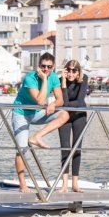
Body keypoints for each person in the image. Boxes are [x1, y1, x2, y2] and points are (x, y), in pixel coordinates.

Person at [11, 52, 69, 193]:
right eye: (43, 66)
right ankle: (22, 185)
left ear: (53, 67)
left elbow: (61, 100)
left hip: (38, 113)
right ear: (38, 66)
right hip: (21, 113)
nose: (46, 69)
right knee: (22, 148)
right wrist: (44, 79)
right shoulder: (30, 77)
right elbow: (39, 99)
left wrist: (53, 104)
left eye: (49, 67)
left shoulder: (54, 77)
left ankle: (37, 137)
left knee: (64, 114)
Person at [57, 60, 89, 193]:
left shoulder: (84, 79)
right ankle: (64, 185)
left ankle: (75, 184)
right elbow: (64, 101)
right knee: (65, 148)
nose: (71, 73)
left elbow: (81, 101)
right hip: (64, 116)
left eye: (74, 70)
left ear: (78, 72)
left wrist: (67, 104)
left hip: (79, 116)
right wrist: (63, 83)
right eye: (68, 70)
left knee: (77, 149)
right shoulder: (60, 80)